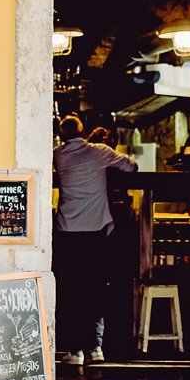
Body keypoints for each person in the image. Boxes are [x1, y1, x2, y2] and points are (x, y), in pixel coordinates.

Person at [53, 116, 138, 365]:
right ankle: (96, 347)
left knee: (71, 292)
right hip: (96, 232)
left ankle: (75, 351)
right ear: (83, 131)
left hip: (68, 231)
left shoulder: (58, 155)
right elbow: (132, 166)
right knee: (95, 289)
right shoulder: (100, 152)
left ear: (61, 133)